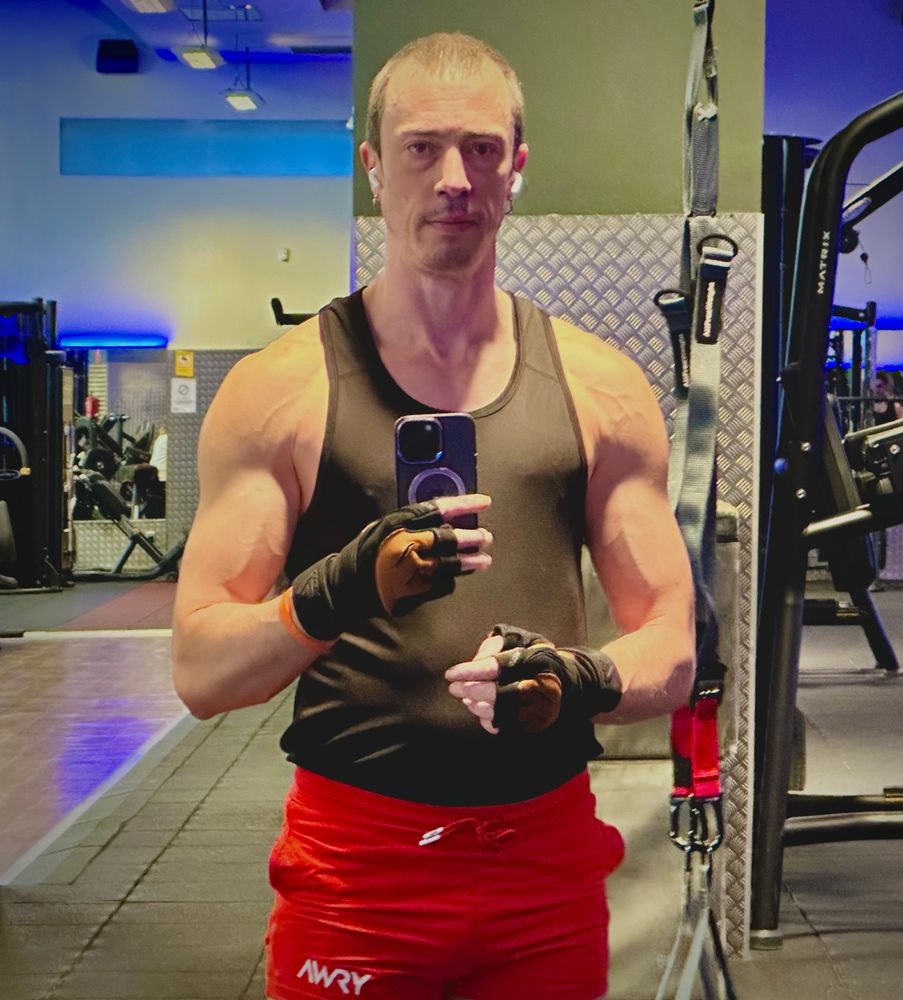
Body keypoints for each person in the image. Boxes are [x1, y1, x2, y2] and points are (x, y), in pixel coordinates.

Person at [171, 31, 694, 1000]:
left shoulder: (601, 388)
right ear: (374, 166)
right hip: (360, 866)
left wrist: (576, 677)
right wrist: (332, 594)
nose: (454, 178)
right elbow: (201, 671)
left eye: (481, 149)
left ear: (516, 167)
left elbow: (672, 645)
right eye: (421, 148)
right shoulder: (280, 391)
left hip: (543, 865)